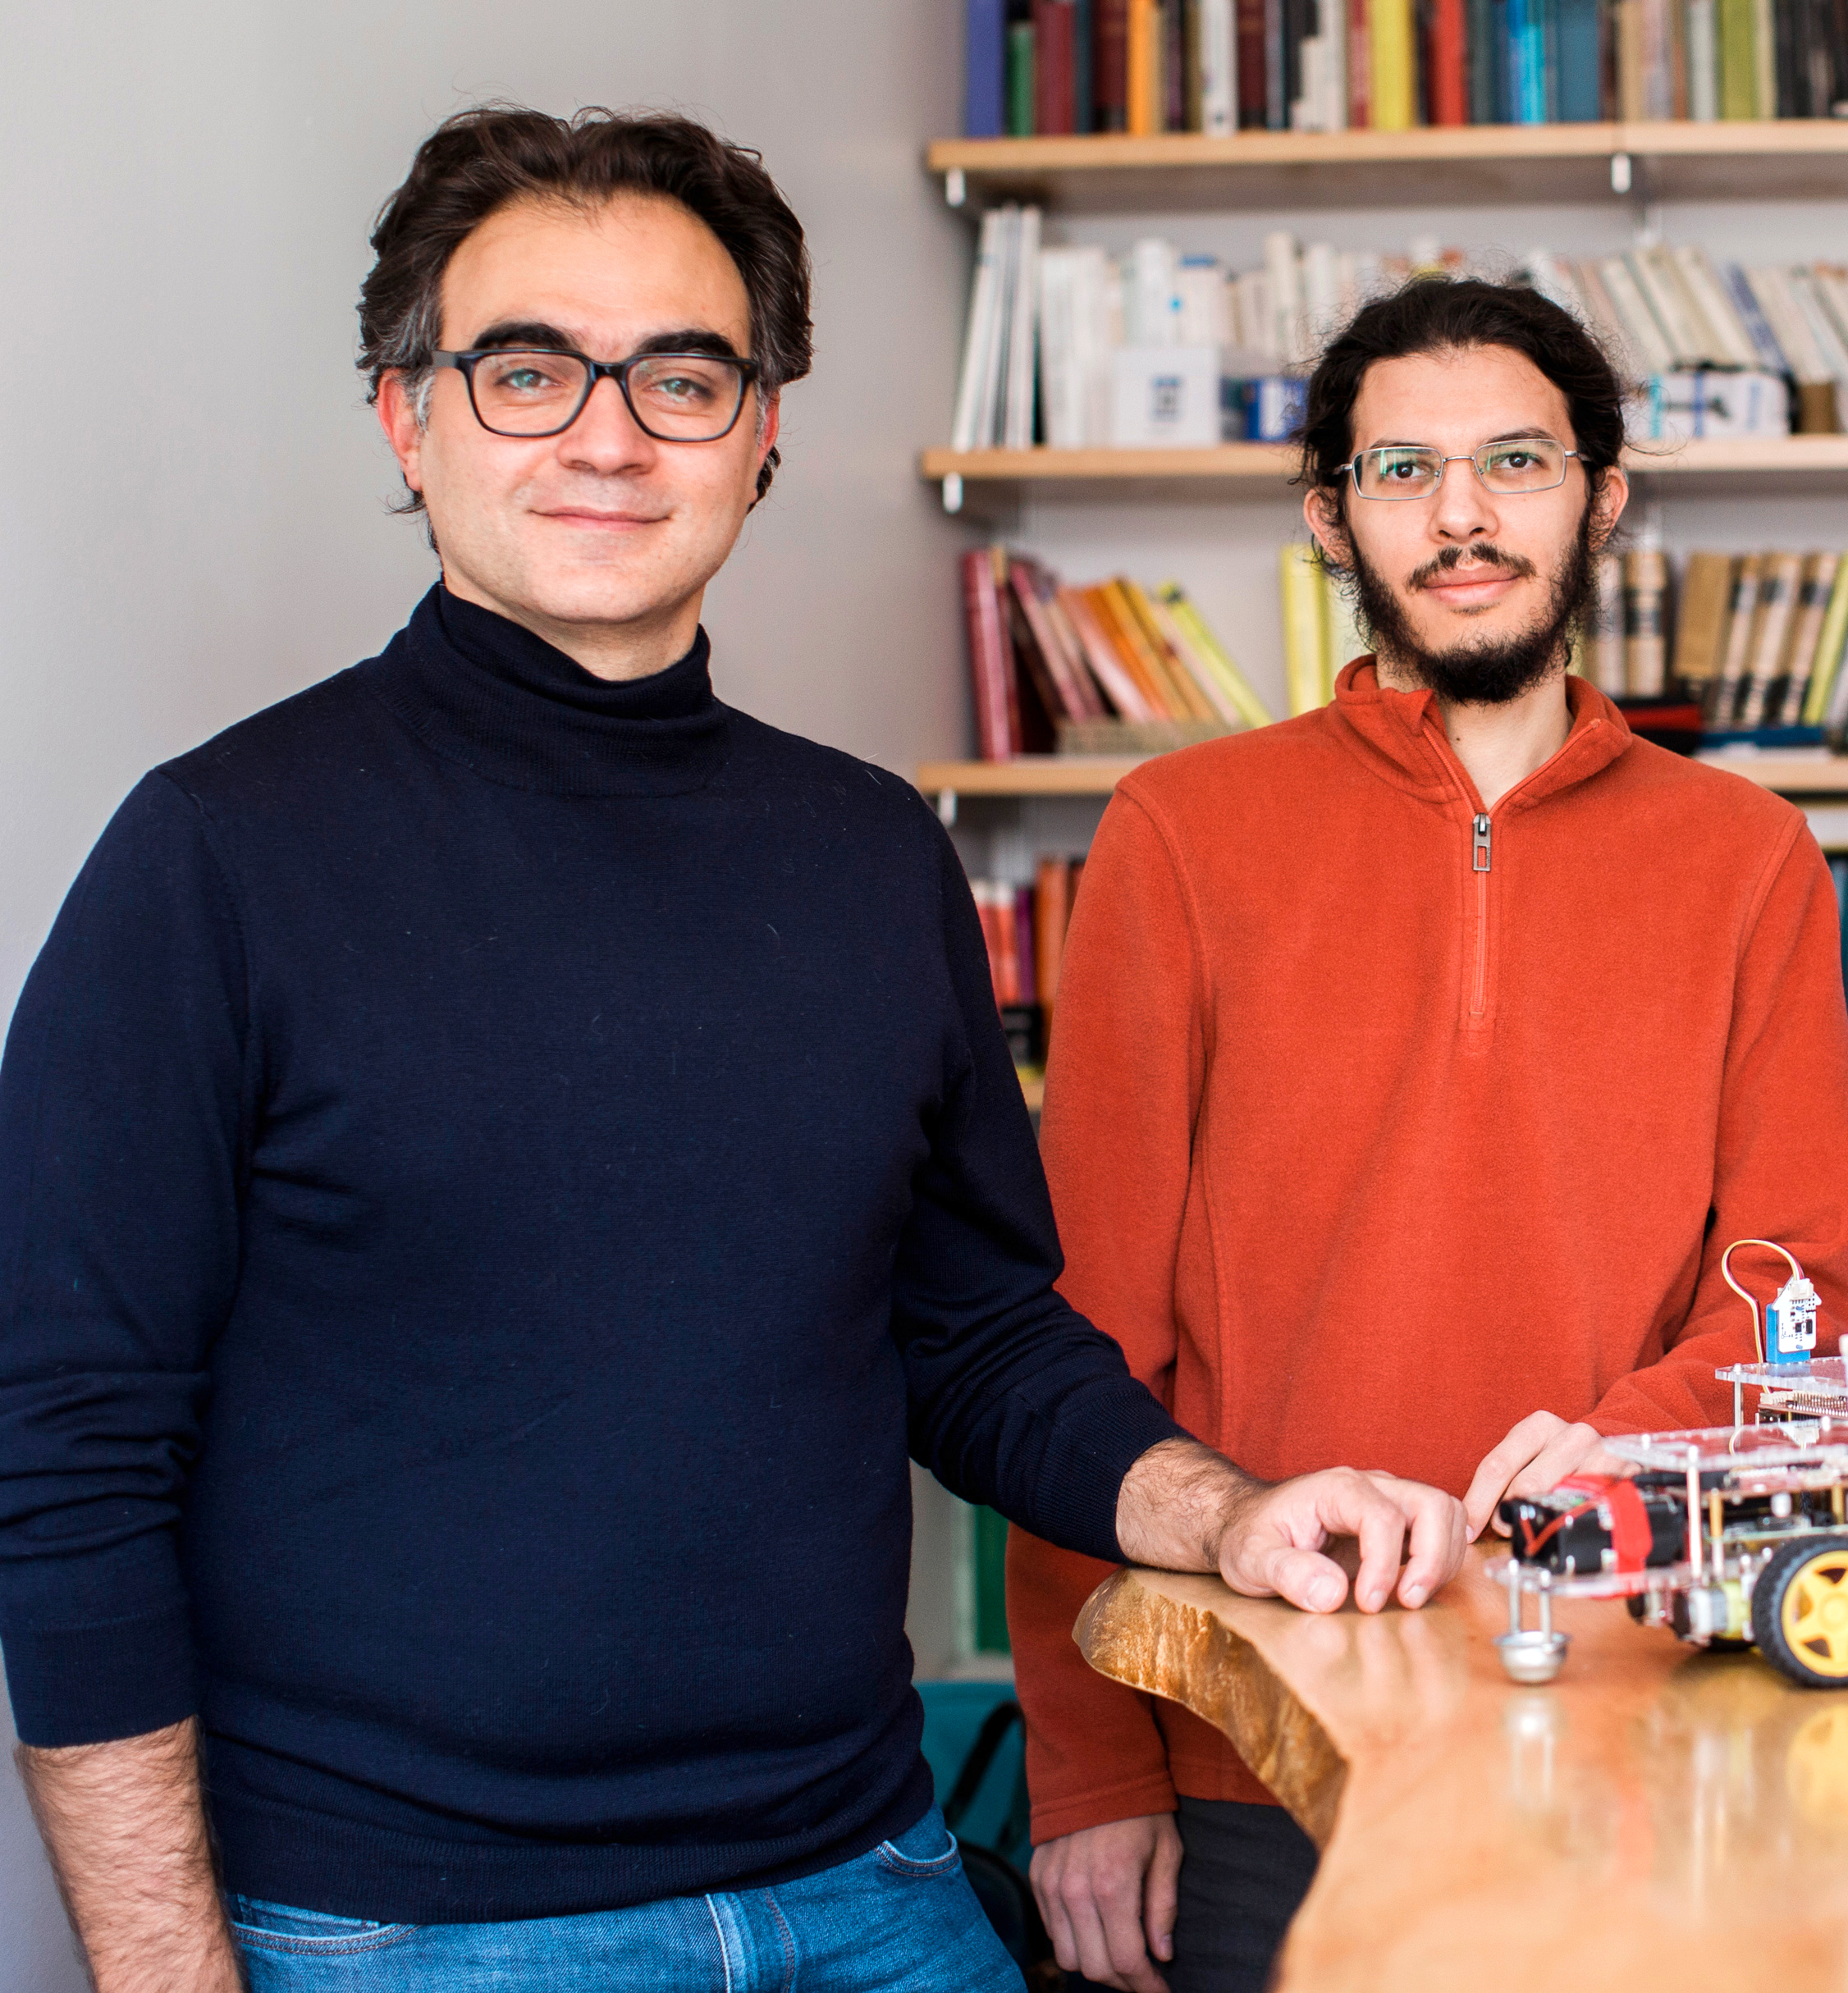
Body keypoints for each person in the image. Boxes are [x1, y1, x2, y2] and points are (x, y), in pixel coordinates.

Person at [0, 108, 1468, 1993]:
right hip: (398, 1935)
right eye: (527, 370)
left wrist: (1235, 1515)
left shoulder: (870, 853)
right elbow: (65, 1452)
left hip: (869, 1887)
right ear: (406, 415)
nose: (606, 435)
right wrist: (161, 1972)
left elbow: (980, 1338)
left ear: (762, 435)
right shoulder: (212, 858)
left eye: (681, 377)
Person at [1009, 277, 1848, 1993]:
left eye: (1516, 461)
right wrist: (1090, 1764)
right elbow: (1074, 1340)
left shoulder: (1750, 858)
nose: (1460, 516)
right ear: (1331, 511)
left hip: (1655, 1718)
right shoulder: (1176, 835)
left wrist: (1613, 1448)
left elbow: (1806, 1284)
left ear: (1601, 494)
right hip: (1255, 1735)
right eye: (1401, 469)